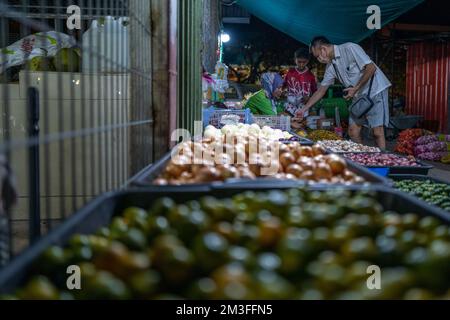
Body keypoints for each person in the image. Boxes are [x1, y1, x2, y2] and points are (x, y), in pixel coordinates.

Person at [296, 36, 391, 149]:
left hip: (375, 90)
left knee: (377, 132)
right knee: (352, 131)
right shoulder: (331, 67)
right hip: (359, 96)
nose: (318, 60)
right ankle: (362, 158)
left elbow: (371, 67)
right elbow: (321, 90)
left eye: (318, 56)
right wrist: (303, 109)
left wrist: (356, 88)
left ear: (323, 49)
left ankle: (383, 161)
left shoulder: (350, 48)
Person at [283, 48, 317, 116]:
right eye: (299, 61)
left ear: (307, 61)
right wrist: (282, 92)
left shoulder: (310, 75)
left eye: (304, 62)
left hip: (304, 106)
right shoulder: (290, 72)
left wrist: (309, 98)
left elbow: (315, 92)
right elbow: (283, 86)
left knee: (301, 122)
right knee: (290, 121)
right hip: (290, 105)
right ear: (295, 60)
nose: (301, 64)